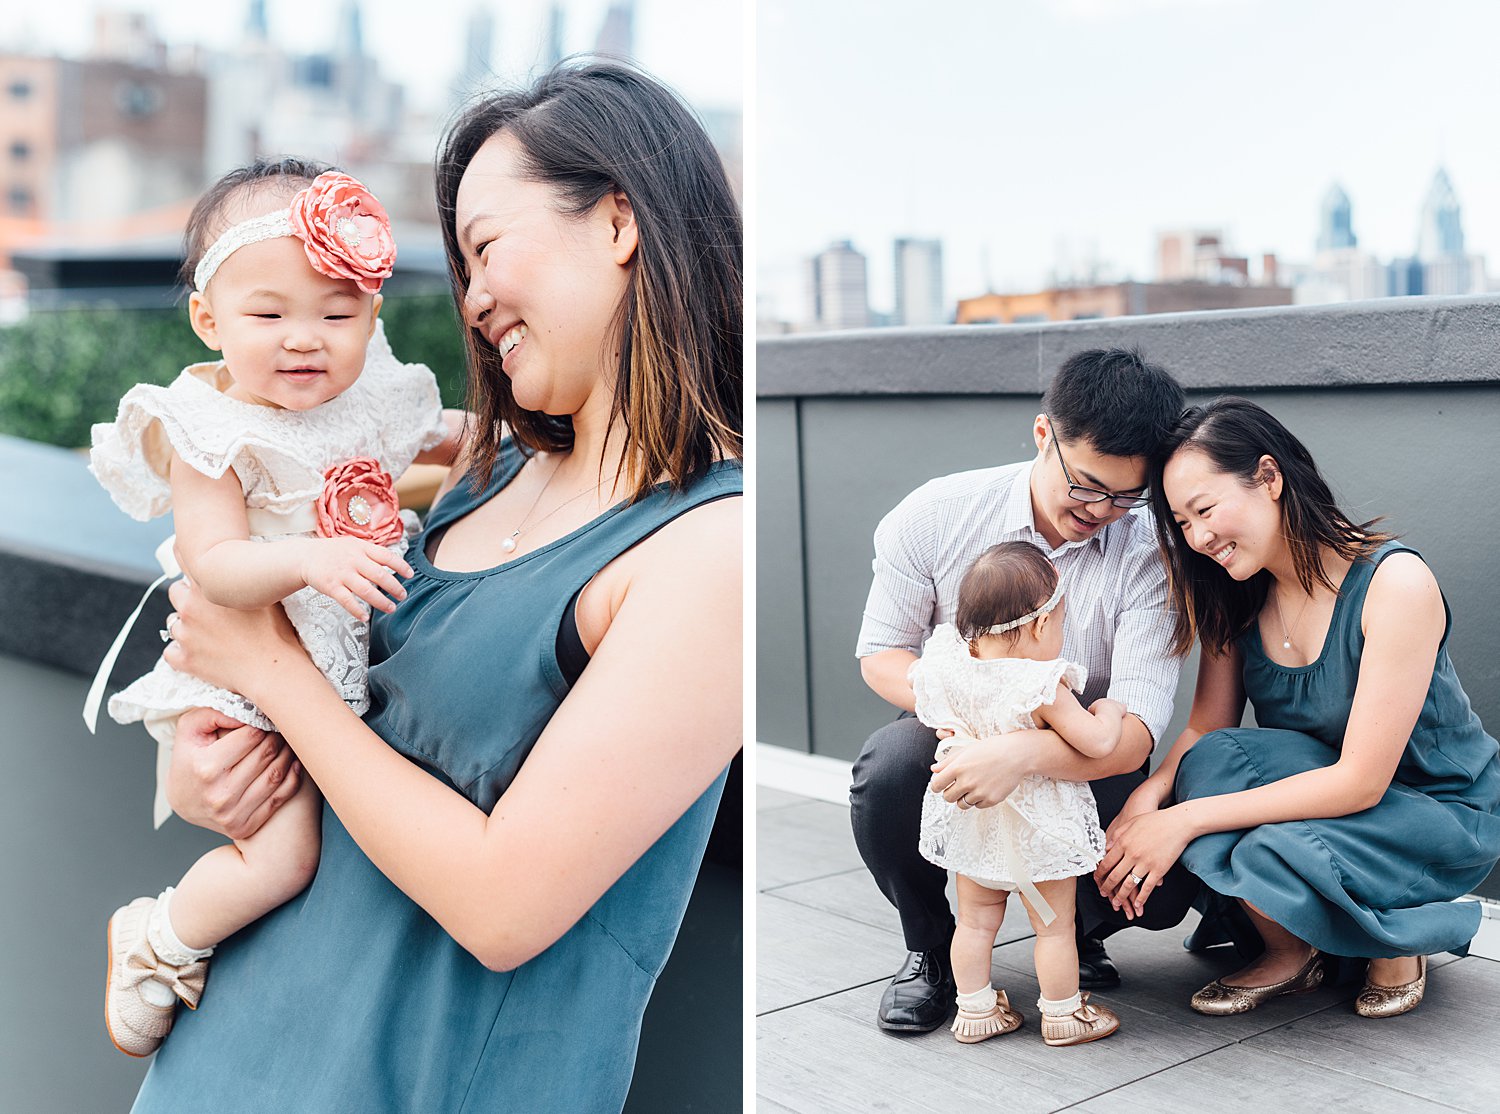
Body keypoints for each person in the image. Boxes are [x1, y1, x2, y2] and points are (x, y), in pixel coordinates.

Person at [129, 59, 742, 1112]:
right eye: (462, 263)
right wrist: (209, 774)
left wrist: (274, 674)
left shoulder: (712, 545)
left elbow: (505, 904)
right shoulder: (472, 477)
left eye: (487, 247)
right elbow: (260, 526)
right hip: (223, 1056)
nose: (474, 297)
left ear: (620, 222)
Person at [87, 161, 461, 1056]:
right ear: (209, 320)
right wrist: (310, 555)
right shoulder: (209, 431)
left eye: (337, 315)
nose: (305, 340)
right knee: (285, 857)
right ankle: (159, 937)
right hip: (245, 677)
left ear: (373, 317)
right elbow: (215, 566)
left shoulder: (367, 397)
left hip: (334, 662)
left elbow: (456, 436)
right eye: (268, 315)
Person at [1097, 397, 1500, 1017]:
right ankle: (1297, 950)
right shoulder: (1234, 596)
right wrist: (1145, 803)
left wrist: (1183, 821)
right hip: (1319, 798)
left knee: (1257, 845)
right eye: (1181, 523)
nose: (1199, 539)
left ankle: (1392, 937)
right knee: (1211, 762)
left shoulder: (1394, 584)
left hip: (1429, 812)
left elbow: (1362, 781)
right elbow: (1207, 727)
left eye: (1205, 510)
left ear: (1269, 476)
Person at [852, 347, 1195, 1033]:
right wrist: (965, 717)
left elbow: (1132, 737)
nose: (1104, 510)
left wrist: (1020, 754)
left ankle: (1077, 935)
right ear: (1045, 437)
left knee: (1165, 888)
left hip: (1080, 755)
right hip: (955, 737)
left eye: (1129, 495)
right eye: (1088, 485)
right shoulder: (936, 514)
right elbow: (880, 655)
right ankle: (930, 951)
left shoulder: (1150, 553)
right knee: (888, 771)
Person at [912, 541, 1124, 1047]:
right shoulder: (1042, 683)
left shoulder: (950, 664)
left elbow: (937, 719)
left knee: (976, 923)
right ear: (1037, 627)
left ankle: (977, 1011)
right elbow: (1097, 744)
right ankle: (1063, 1014)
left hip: (974, 818)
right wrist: (1109, 710)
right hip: (1039, 828)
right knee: (1053, 927)